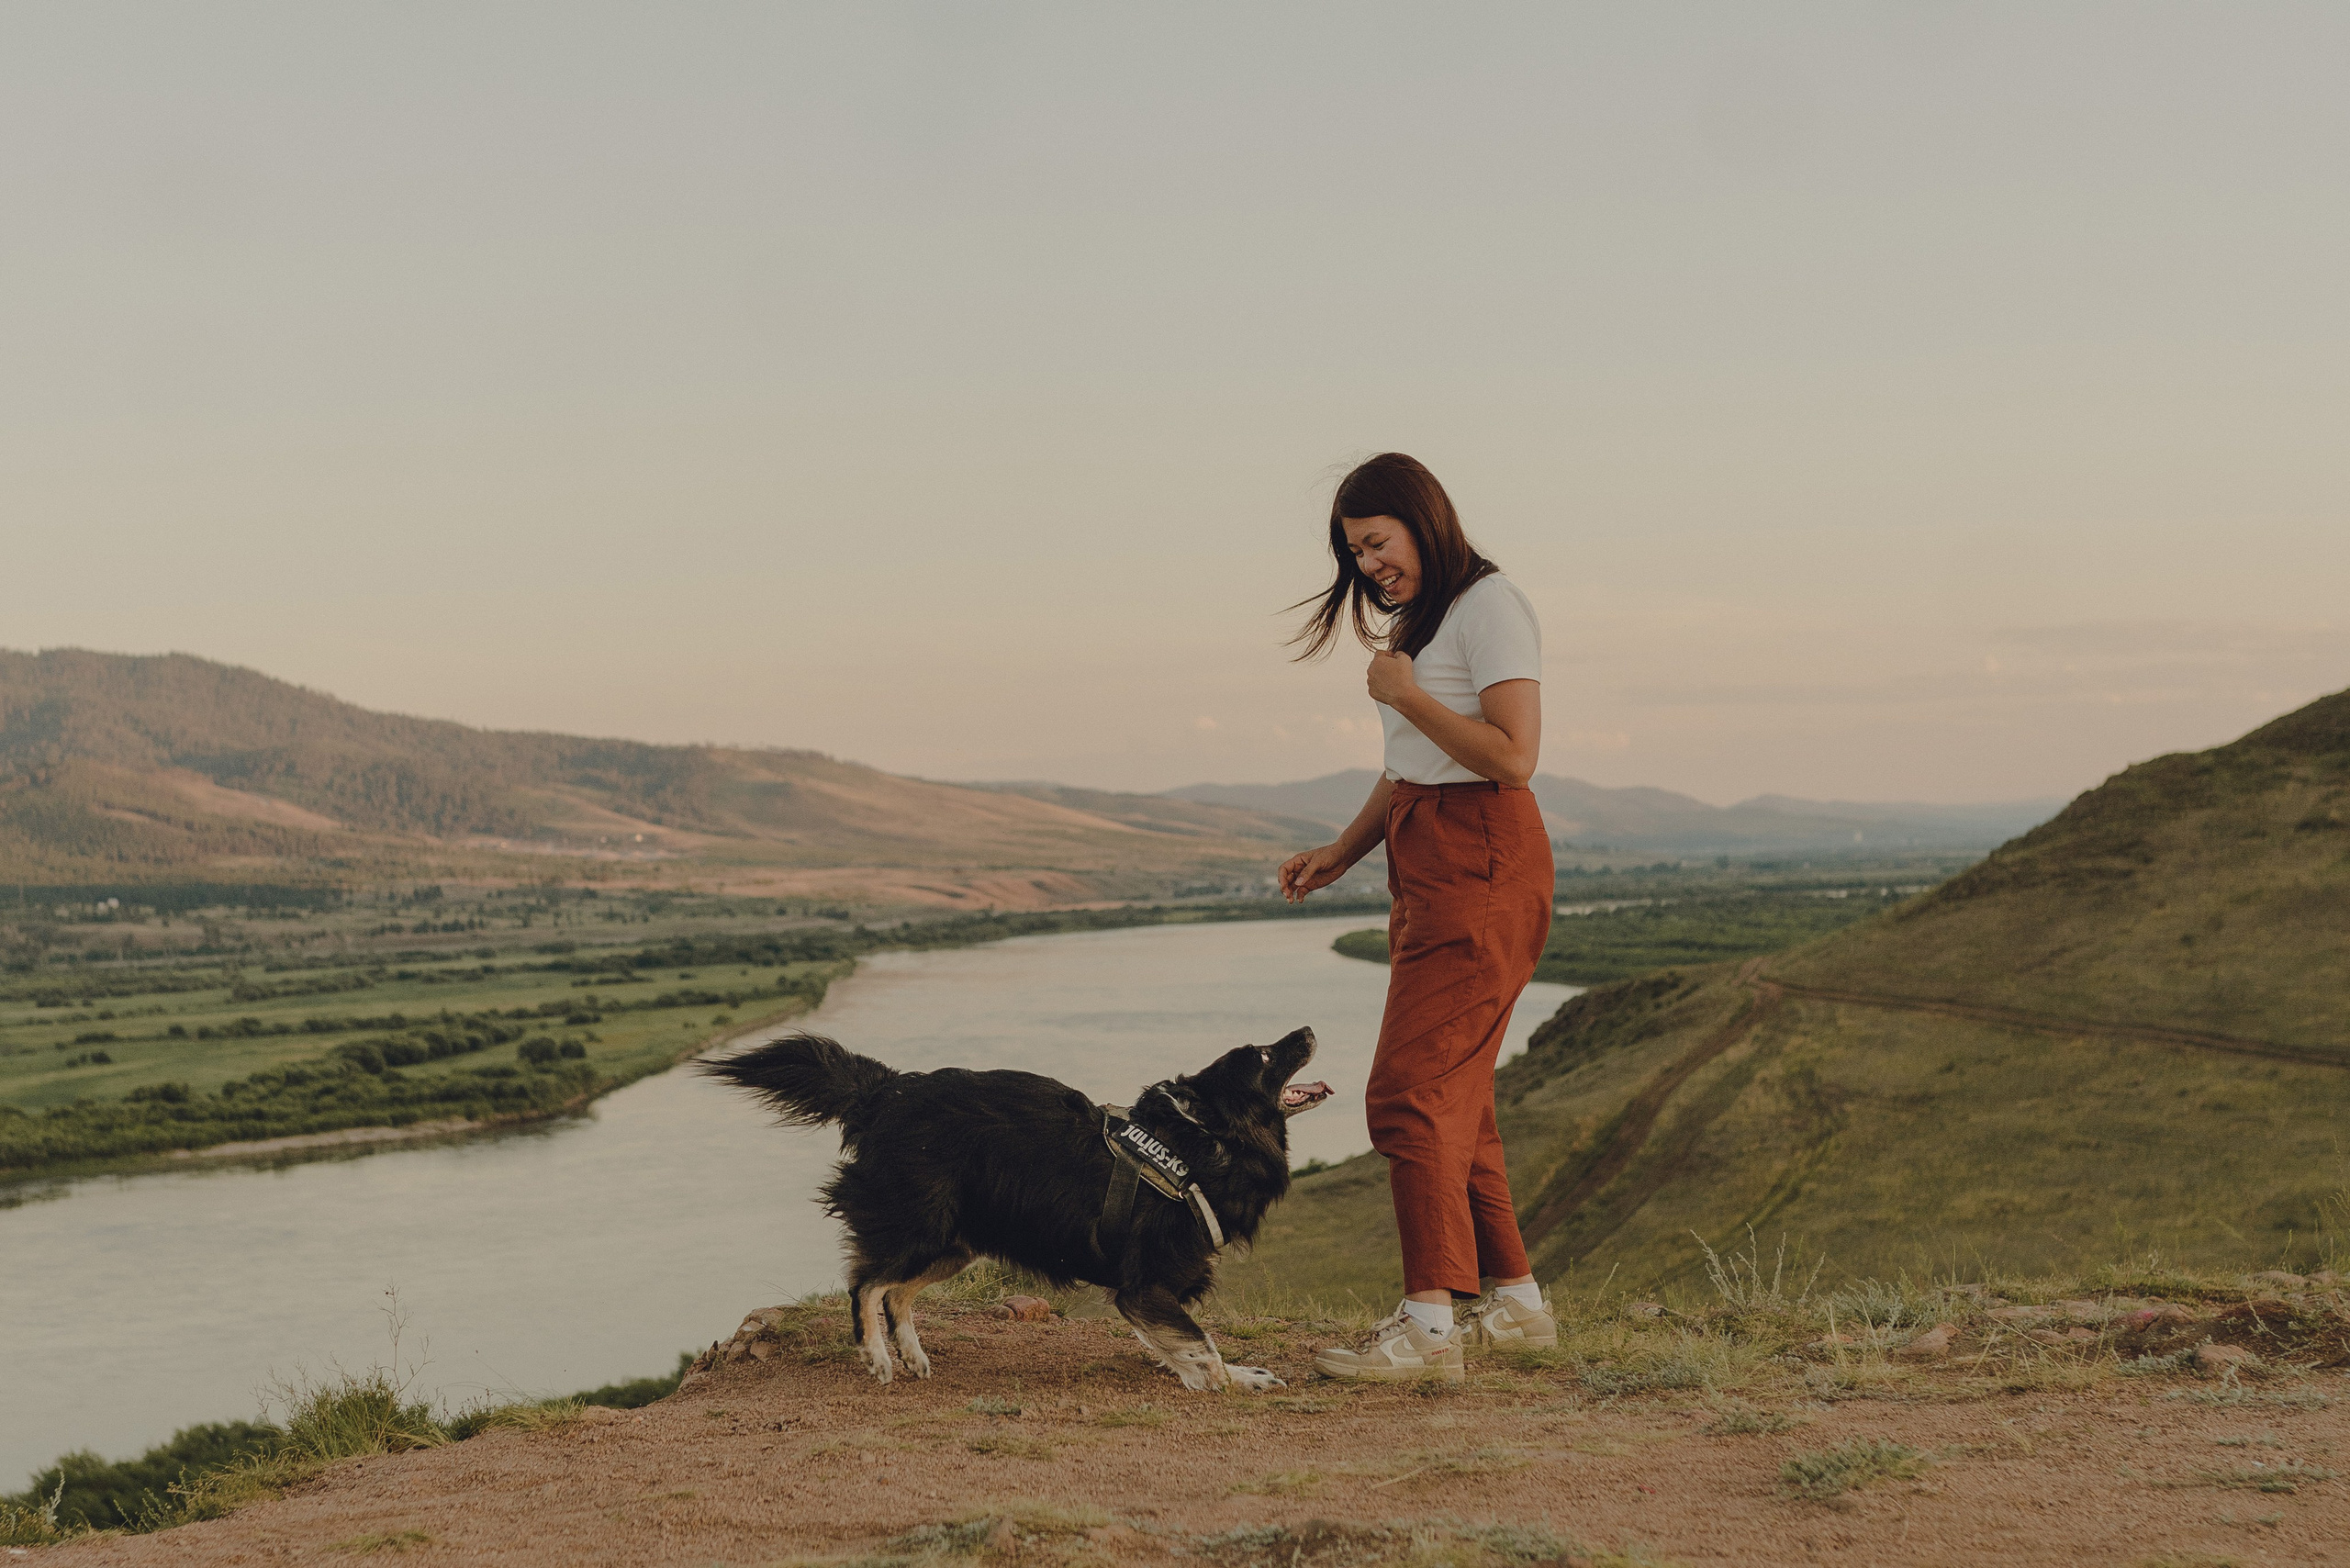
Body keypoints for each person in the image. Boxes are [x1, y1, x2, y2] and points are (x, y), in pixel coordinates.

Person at [1276, 453, 1557, 1381]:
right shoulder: (1425, 617)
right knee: (1455, 1099)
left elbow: (1513, 758)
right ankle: (1513, 1309)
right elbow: (1410, 766)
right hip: (1432, 861)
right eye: (1353, 553)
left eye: (1374, 544)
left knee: (1406, 1093)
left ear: (1419, 517)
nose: (1366, 567)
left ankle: (1430, 1329)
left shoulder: (1488, 605)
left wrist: (1408, 693)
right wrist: (1344, 850)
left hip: (1479, 860)